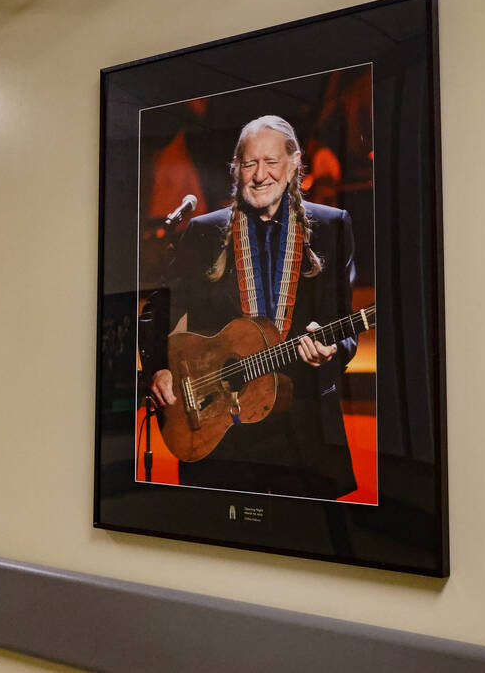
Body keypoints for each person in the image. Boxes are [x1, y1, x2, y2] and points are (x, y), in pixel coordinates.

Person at [149, 115, 358, 500]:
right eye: (250, 164)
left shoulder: (332, 226)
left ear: (294, 163)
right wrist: (159, 367)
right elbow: (159, 310)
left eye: (272, 162)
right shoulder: (203, 232)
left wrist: (330, 351)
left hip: (303, 427)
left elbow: (344, 328)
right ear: (237, 169)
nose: (260, 175)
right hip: (219, 424)